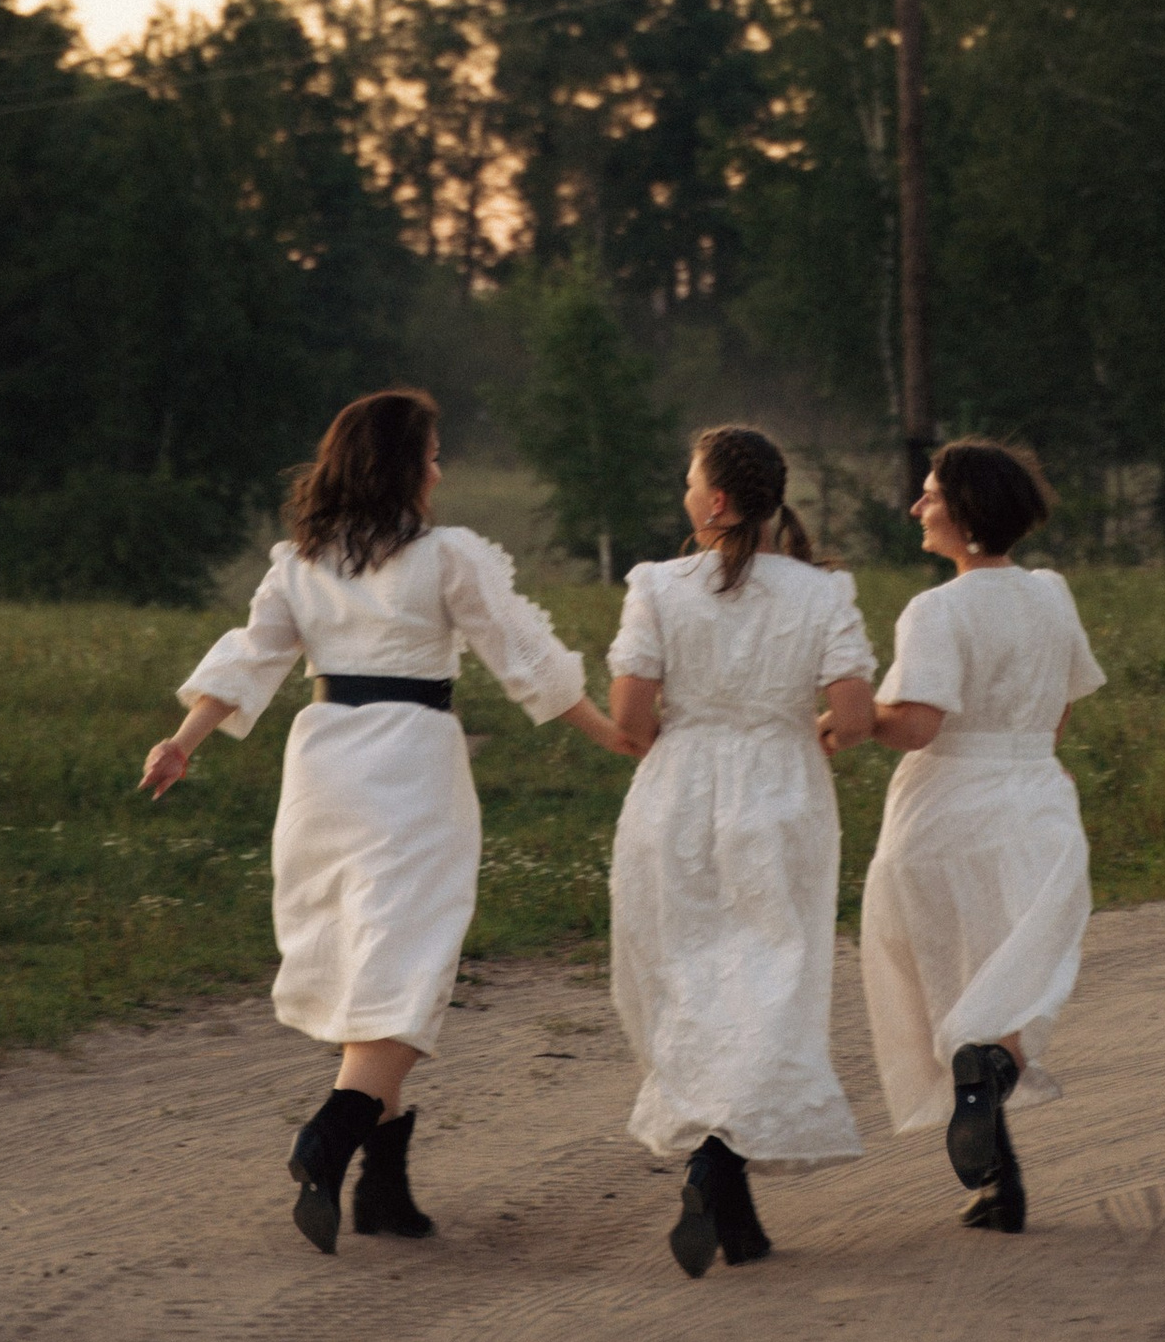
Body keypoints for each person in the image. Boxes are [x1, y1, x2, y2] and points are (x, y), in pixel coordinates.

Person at [140, 387, 628, 1254]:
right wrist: (615, 737)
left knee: (372, 957)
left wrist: (184, 741)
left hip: (325, 762)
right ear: (402, 466)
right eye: (432, 455)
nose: (440, 470)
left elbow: (250, 656)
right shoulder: (446, 558)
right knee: (412, 955)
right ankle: (333, 1127)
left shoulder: (301, 561)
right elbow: (523, 656)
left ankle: (384, 1191)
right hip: (410, 761)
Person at [604, 425, 879, 1276]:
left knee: (684, 975)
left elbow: (631, 722)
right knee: (770, 979)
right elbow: (859, 716)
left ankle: (717, 1167)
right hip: (781, 792)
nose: (686, 494)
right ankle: (724, 1173)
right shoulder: (823, 594)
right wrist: (812, 732)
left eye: (692, 482)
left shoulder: (656, 585)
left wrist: (692, 736)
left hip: (678, 791)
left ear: (717, 501)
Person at [858, 438, 1105, 1233]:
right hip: (1036, 802)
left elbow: (919, 725)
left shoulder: (937, 610)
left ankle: (990, 1121)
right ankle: (998, 1157)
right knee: (1010, 975)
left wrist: (854, 719)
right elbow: (1062, 710)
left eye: (928, 494)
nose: (915, 506)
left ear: (962, 512)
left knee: (945, 978)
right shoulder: (1051, 595)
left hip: (943, 810)